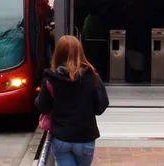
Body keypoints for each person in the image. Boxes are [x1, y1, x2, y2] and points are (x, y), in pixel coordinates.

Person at [35, 35, 110, 166]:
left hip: (61, 138)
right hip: (85, 137)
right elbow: (101, 106)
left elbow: (42, 107)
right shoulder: (92, 77)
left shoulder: (50, 79)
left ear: (57, 53)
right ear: (80, 52)